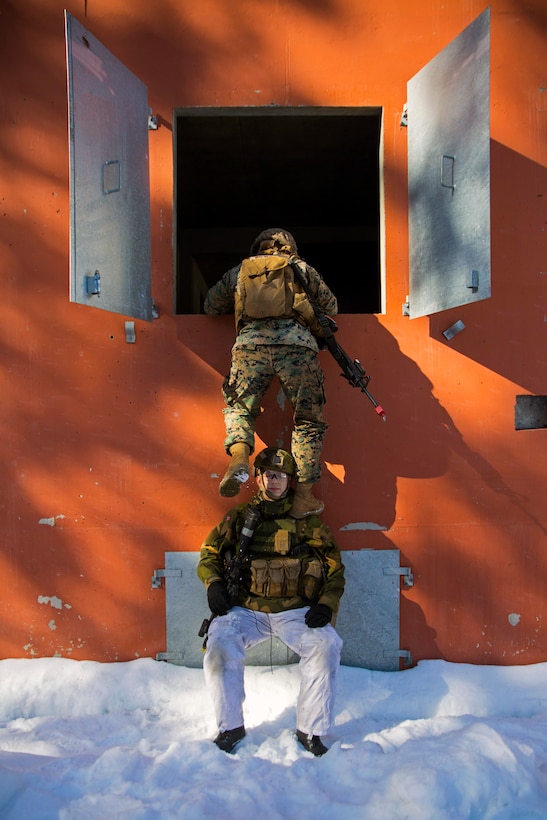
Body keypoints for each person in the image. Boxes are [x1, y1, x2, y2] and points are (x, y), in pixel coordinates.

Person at [197, 447, 345, 756]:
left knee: (325, 644)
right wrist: (213, 585)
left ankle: (312, 730)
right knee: (220, 642)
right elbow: (209, 552)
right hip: (246, 609)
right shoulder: (239, 517)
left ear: (290, 480)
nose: (274, 481)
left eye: (281, 476)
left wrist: (326, 604)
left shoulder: (307, 521)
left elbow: (334, 567)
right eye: (268, 474)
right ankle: (230, 727)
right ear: (258, 478)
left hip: (295, 611)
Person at [204, 228, 338, 518]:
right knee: (308, 420)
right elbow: (331, 306)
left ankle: (239, 456)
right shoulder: (300, 268)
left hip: (250, 346)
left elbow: (211, 305)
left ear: (258, 246)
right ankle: (303, 497)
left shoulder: (241, 270)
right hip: (297, 347)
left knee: (240, 407)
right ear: (290, 246)